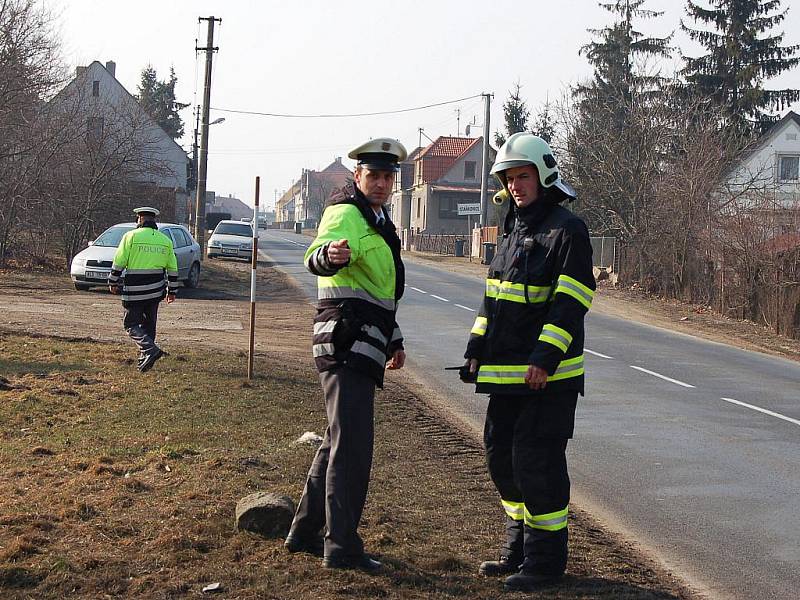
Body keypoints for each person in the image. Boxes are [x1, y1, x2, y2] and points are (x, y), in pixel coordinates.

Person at [463, 133, 596, 592]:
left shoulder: (568, 230)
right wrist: (475, 348)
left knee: (536, 462)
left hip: (549, 377)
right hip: (506, 374)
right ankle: (517, 549)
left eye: (524, 176)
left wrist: (545, 358)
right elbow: (493, 298)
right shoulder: (513, 228)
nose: (516, 185)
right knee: (502, 458)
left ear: (544, 176)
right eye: (510, 178)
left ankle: (545, 562)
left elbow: (570, 302)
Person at [285, 138, 408, 573]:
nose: (380, 183)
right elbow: (316, 258)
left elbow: (378, 291)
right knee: (353, 447)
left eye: (387, 176)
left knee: (339, 440)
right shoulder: (344, 213)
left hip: (363, 341)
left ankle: (303, 532)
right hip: (344, 342)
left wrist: (393, 338)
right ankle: (341, 546)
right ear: (357, 177)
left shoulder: (379, 220)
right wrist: (330, 256)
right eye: (372, 175)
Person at [108, 206, 178, 373]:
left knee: (130, 324)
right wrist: (172, 291)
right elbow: (173, 269)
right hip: (155, 292)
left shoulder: (130, 236)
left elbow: (119, 261)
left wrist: (113, 281)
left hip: (134, 291)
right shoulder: (165, 241)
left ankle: (150, 350)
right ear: (154, 220)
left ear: (139, 219)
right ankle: (145, 359)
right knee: (149, 324)